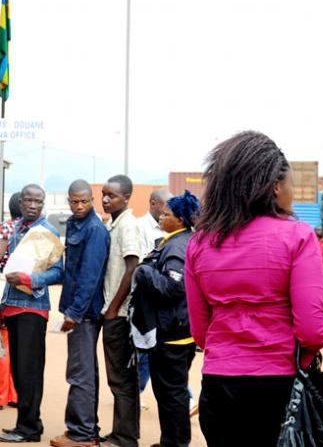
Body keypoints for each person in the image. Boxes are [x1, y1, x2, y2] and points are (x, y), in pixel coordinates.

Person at [185, 131, 323, 446]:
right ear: (276, 186)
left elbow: (200, 332)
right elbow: (312, 331)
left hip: (219, 387)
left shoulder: (200, 244)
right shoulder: (298, 237)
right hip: (280, 388)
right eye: (291, 185)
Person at [130, 191, 200, 447]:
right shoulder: (173, 241)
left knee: (172, 393)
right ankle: (170, 439)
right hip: (174, 330)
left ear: (180, 219)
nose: (161, 216)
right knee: (168, 392)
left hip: (174, 335)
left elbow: (173, 288)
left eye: (167, 214)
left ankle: (176, 442)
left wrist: (145, 271)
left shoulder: (177, 247)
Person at [0, 184, 63, 444]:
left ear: (43, 203)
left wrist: (30, 278)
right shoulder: (17, 229)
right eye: (29, 200)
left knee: (29, 370)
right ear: (20, 202)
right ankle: (23, 424)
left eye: (38, 201)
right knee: (19, 370)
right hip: (13, 305)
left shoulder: (47, 231)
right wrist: (4, 305)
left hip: (33, 308)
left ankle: (31, 428)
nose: (33, 205)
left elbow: (59, 272)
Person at [50, 179, 110, 447]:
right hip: (78, 310)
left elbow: (89, 276)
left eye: (84, 201)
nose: (79, 206)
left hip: (84, 313)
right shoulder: (75, 223)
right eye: (74, 201)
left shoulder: (95, 229)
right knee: (85, 372)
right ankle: (87, 429)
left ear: (92, 199)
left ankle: (81, 434)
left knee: (80, 373)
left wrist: (73, 313)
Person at [100, 174, 143, 447]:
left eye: (111, 195)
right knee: (120, 378)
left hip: (120, 315)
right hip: (115, 312)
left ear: (126, 197)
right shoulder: (114, 224)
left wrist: (114, 308)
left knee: (121, 379)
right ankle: (122, 432)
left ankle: (125, 438)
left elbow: (133, 267)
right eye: (103, 194)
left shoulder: (127, 226)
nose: (105, 199)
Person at [136, 189, 172, 399]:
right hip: (147, 298)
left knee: (159, 349)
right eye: (165, 205)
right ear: (153, 203)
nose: (168, 211)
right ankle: (136, 390)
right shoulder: (140, 227)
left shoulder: (171, 227)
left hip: (165, 298)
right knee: (146, 348)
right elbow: (141, 264)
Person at [0, 192, 21, 411]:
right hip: (25, 287)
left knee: (1, 342)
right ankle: (15, 394)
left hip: (1, 284)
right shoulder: (32, 229)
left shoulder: (5, 228)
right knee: (18, 342)